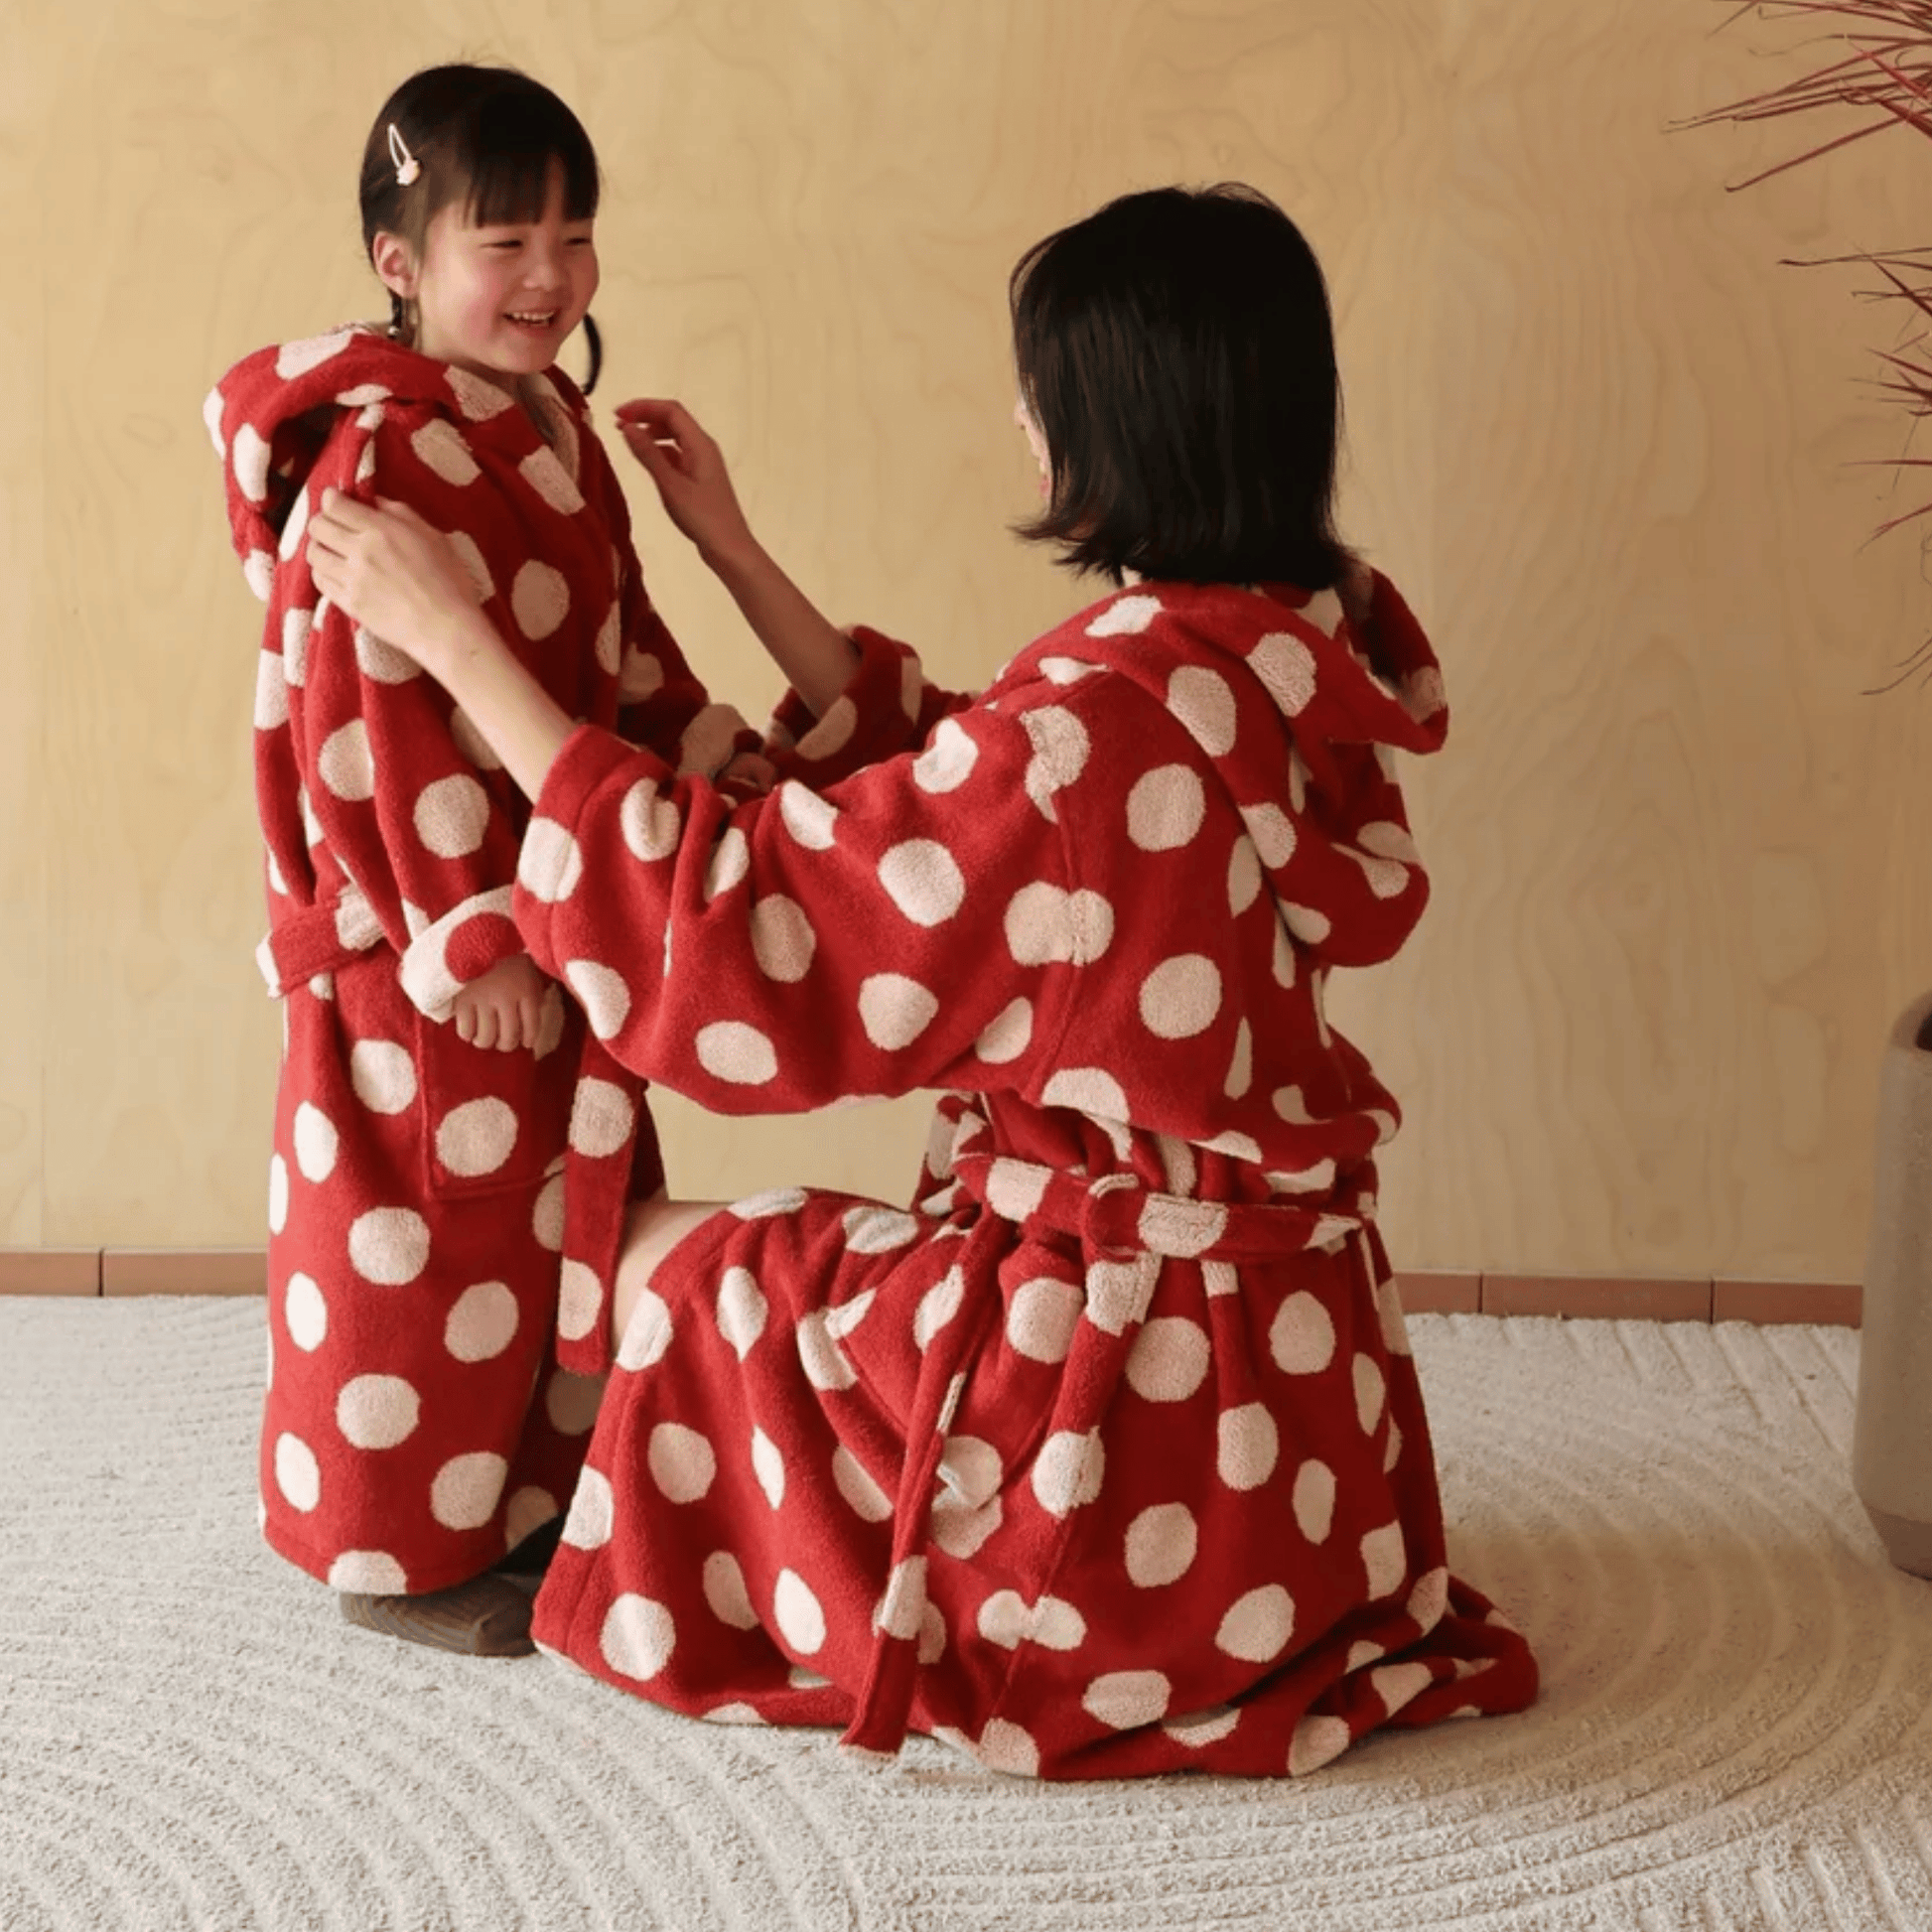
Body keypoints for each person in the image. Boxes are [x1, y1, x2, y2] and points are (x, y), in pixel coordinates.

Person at [304, 182, 1540, 1776]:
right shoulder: (1268, 659)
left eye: (1043, 389)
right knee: (736, 1258)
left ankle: (969, 1598)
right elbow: (989, 794)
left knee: (675, 1268)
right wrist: (738, 559)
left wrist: (457, 641)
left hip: (1109, 1449)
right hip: (1297, 1436)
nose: (1023, 416)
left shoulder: (1096, 733)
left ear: (1105, 421)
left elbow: (770, 924)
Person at [206, 64, 767, 1656]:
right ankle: (397, 1548)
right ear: (401, 260)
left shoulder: (552, 426)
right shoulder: (379, 459)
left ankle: (529, 1499)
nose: (548, 277)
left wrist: (687, 751)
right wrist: (476, 932)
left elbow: (613, 644)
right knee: (418, 1239)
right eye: (502, 239)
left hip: (562, 895)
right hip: (432, 940)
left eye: (573, 237)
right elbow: (363, 717)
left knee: (550, 1221)